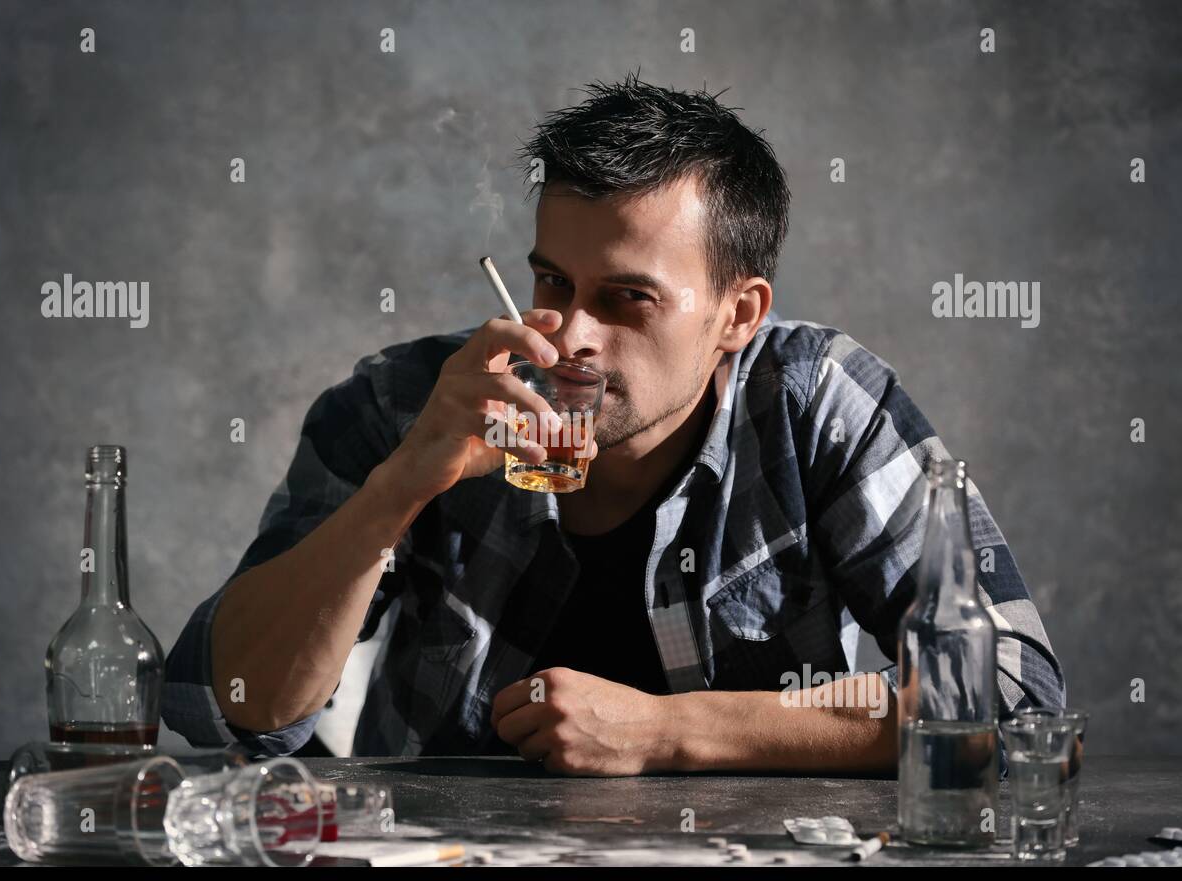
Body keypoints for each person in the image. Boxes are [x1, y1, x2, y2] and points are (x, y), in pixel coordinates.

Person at [163, 73, 1064, 776]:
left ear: (738, 315)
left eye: (626, 297)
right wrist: (402, 486)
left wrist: (670, 732)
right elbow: (230, 704)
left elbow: (1015, 697)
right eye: (553, 282)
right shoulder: (408, 402)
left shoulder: (815, 402)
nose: (571, 339)